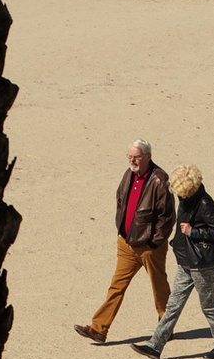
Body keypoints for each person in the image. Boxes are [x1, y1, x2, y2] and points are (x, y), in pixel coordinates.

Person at [75, 140, 175, 343]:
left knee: (159, 286)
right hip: (127, 244)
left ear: (148, 156)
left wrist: (154, 242)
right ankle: (98, 328)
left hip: (149, 247)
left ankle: (166, 325)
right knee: (116, 286)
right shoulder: (128, 174)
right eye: (130, 156)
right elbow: (120, 200)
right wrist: (121, 231)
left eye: (137, 156)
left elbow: (167, 217)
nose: (132, 160)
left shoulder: (160, 180)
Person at [131, 164, 214, 359]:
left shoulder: (204, 204)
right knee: (173, 305)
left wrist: (193, 232)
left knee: (209, 306)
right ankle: (155, 346)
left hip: (203, 265)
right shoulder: (185, 198)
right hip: (186, 261)